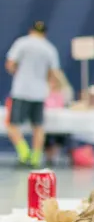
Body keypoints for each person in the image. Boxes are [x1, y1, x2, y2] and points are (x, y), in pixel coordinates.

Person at [5, 21, 61, 167]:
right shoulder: (49, 49)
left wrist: (19, 74)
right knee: (38, 126)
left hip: (21, 90)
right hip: (39, 92)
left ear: (31, 30)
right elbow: (54, 73)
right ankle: (36, 157)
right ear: (45, 33)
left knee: (12, 125)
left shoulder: (22, 43)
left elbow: (10, 64)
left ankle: (24, 152)